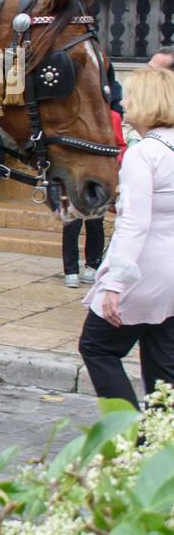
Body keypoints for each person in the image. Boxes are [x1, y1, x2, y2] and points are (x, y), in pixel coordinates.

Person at [78, 67, 174, 407]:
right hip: (170, 272)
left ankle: (125, 432)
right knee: (163, 364)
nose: (125, 102)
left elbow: (135, 223)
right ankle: (158, 444)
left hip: (143, 268)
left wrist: (115, 283)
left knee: (96, 346)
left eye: (130, 96)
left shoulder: (144, 153)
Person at [63, 107, 127, 287]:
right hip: (74, 176)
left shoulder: (112, 116)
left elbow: (120, 145)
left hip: (99, 179)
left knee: (95, 223)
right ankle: (70, 270)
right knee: (71, 224)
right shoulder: (71, 115)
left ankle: (92, 264)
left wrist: (116, 162)